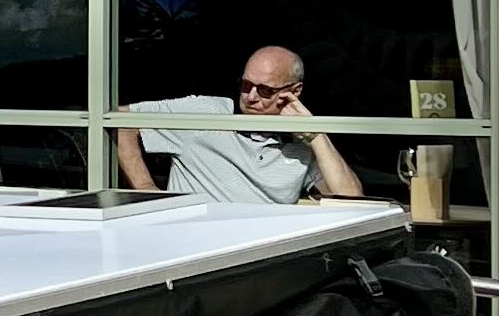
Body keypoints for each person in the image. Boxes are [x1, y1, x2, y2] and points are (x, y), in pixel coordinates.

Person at [115, 45, 365, 204]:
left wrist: (317, 136)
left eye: (265, 90)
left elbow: (352, 202)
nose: (251, 97)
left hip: (259, 256)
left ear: (294, 91)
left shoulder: (302, 144)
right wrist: (147, 190)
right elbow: (123, 118)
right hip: (195, 246)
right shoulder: (207, 111)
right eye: (246, 85)